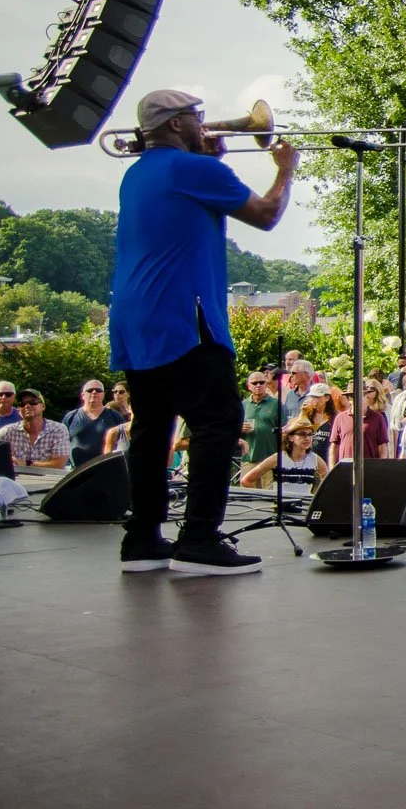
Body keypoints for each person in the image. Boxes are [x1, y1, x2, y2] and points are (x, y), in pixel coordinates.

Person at [106, 88, 298, 575]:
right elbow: (267, 214)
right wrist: (286, 169)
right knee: (219, 420)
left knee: (152, 426)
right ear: (175, 124)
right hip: (181, 315)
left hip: (134, 315)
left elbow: (184, 214)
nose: (206, 125)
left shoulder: (136, 173)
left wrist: (210, 162)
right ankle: (199, 539)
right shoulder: (194, 170)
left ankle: (142, 539)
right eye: (197, 117)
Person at [237, 414, 329, 494]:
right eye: (302, 434)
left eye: (310, 434)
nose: (307, 438)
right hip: (281, 505)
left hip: (304, 506)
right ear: (291, 437)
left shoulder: (315, 459)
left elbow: (330, 483)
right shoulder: (278, 458)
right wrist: (265, 499)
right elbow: (246, 480)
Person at [62, 379, 126, 469]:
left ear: (103, 395)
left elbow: (124, 443)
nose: (94, 392)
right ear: (83, 395)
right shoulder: (70, 417)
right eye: (90, 390)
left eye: (98, 390)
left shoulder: (115, 416)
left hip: (107, 469)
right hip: (75, 471)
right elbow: (62, 445)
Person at [0, 391, 69, 470]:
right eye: (22, 404)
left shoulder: (58, 430)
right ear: (19, 410)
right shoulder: (7, 432)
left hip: (50, 477)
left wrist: (26, 463)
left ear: (43, 406)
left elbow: (59, 464)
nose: (27, 406)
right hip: (16, 477)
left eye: (33, 402)